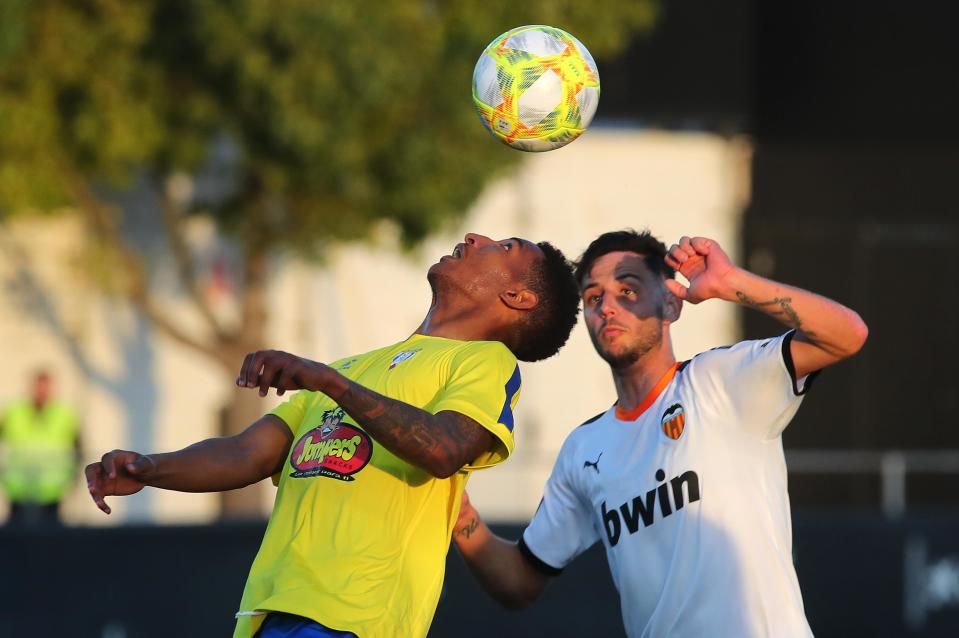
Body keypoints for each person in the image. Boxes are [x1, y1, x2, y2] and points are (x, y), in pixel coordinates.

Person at [84, 232, 581, 638]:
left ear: (518, 297)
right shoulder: (351, 368)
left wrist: (330, 382)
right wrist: (150, 468)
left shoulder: (484, 361)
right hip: (266, 613)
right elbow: (248, 452)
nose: (476, 237)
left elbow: (446, 448)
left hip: (358, 618)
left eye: (506, 247)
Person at [451, 230, 869, 638]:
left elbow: (847, 334)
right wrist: (454, 504)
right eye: (595, 298)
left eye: (627, 291)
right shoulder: (584, 450)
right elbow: (519, 581)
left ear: (670, 303)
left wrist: (732, 282)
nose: (608, 308)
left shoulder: (720, 382)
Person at [1, 370, 81, 528]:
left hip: (52, 487)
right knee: (15, 534)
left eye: (46, 387)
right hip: (18, 485)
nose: (42, 391)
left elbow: (78, 447)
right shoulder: (14, 411)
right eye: (39, 386)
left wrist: (74, 477)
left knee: (50, 534)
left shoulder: (64, 414)